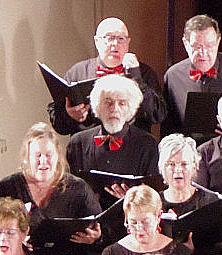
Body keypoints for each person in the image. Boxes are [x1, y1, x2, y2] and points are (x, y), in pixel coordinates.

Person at [0, 123, 102, 255]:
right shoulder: (8, 187)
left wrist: (95, 239)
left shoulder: (78, 188)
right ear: (27, 157)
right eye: (37, 155)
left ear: (58, 156)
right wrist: (13, 244)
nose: (43, 161)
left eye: (48, 154)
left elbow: (102, 233)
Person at [48, 17, 166, 135]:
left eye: (121, 38)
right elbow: (58, 125)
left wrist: (137, 80)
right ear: (96, 41)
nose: (115, 44)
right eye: (109, 38)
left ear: (128, 42)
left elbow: (158, 115)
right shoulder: (77, 73)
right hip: (88, 149)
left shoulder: (145, 73)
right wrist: (70, 115)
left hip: (134, 148)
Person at [66, 75, 160, 206]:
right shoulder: (78, 143)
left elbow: (153, 197)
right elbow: (69, 191)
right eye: (108, 102)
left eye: (122, 103)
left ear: (131, 108)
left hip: (132, 220)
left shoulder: (148, 144)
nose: (114, 108)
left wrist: (133, 199)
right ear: (97, 106)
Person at [163, 14, 222, 134]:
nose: (203, 53)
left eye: (209, 46)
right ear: (185, 44)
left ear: (218, 42)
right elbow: (168, 127)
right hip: (190, 149)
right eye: (197, 47)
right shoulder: (173, 76)